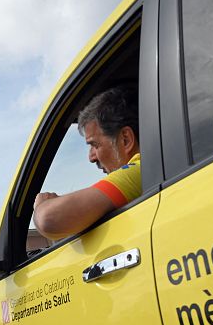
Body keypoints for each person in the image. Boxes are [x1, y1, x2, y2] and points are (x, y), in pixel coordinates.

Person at [33, 85, 141, 240]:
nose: (91, 157)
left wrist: (42, 206)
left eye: (95, 145)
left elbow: (49, 219)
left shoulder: (138, 170)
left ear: (125, 139)